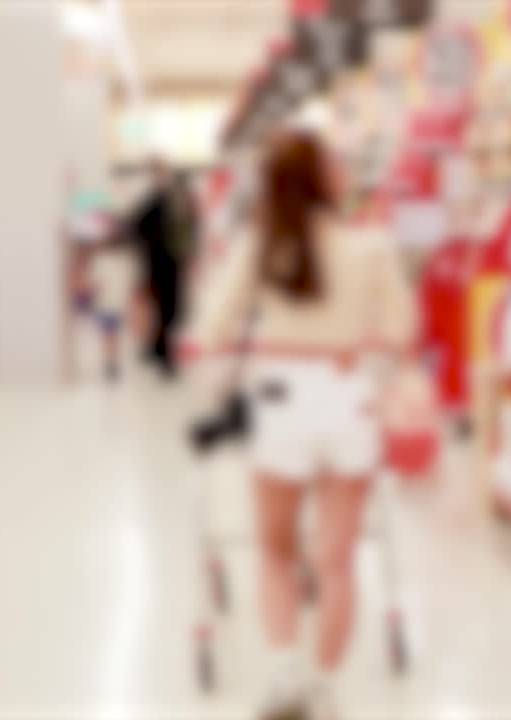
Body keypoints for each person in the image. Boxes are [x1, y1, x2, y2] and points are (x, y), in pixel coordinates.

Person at [188, 130, 417, 720]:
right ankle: (325, 685)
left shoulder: (258, 246)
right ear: (322, 178)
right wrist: (361, 348)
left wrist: (261, 339)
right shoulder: (373, 247)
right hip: (348, 401)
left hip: (280, 401)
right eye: (336, 161)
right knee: (337, 560)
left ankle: (286, 670)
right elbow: (402, 331)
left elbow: (213, 326)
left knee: (274, 551)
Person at [131, 160, 197, 378]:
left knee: (166, 308)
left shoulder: (168, 200)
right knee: (166, 308)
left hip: (164, 263)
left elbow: (134, 227)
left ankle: (160, 351)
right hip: (165, 263)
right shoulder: (172, 199)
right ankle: (162, 353)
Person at [88, 236, 138, 381]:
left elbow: (96, 284)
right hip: (118, 303)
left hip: (107, 303)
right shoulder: (123, 262)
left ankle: (111, 363)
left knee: (108, 335)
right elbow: (130, 283)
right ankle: (113, 362)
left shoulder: (101, 261)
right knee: (114, 334)